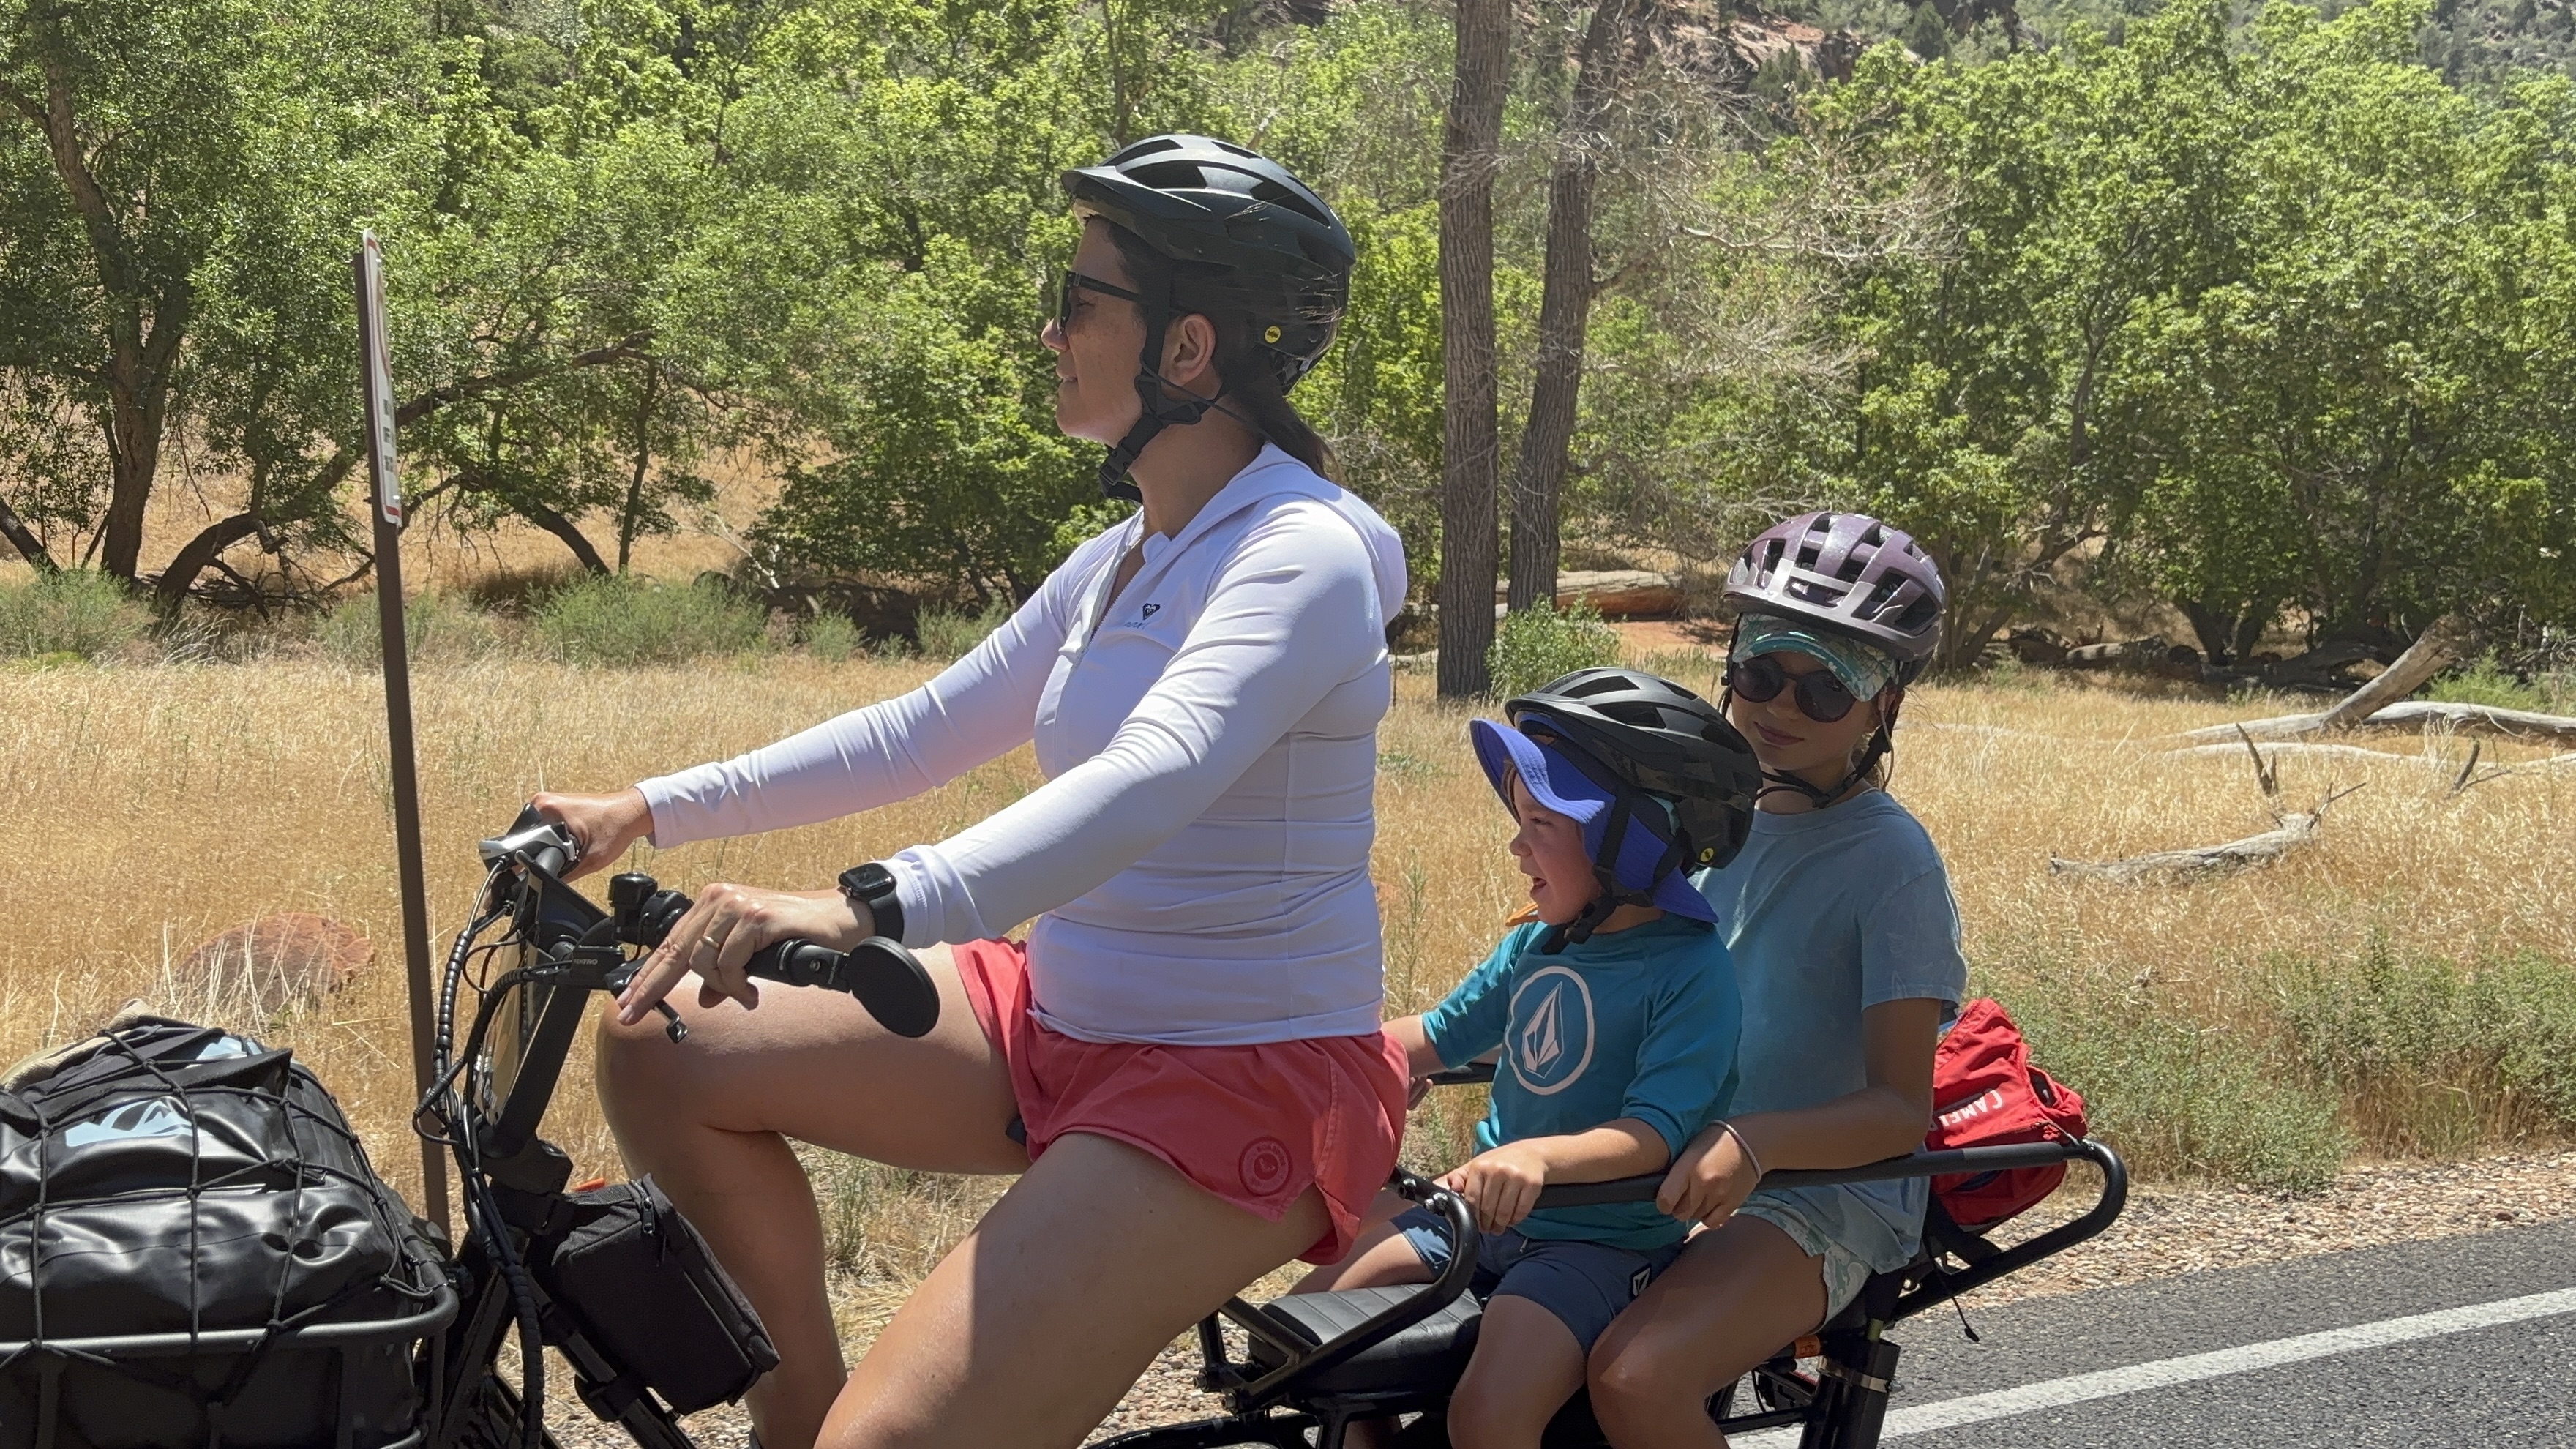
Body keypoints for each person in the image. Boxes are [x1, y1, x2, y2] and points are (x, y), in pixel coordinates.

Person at [529, 135, 1414, 1449]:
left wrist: (869, 907)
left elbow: (1153, 774)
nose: (1048, 328)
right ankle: (800, 1414)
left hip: (1233, 1078)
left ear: (1187, 349)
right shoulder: (1129, 555)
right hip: (1064, 1014)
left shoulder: (1311, 552)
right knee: (666, 1034)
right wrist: (649, 805)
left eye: (1080, 302)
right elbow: (926, 727)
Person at [1296, 670, 1760, 1449]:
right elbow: (1438, 1035)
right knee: (1302, 1339)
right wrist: (1316, 1061)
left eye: (1541, 824)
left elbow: (1653, 1134)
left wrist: (1534, 1158)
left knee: (1489, 1417)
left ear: (1629, 842)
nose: (1516, 845)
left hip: (1594, 1243)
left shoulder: (1691, 973)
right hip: (1475, 1218)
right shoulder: (1539, 945)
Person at [1585, 512, 1967, 1448]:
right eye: (1761, 671)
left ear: (1884, 706)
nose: (1781, 707)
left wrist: (1749, 1142)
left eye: (1826, 689)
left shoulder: (1891, 862)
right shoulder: (1699, 820)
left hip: (1822, 1192)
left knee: (1638, 1379)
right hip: (1672, 1155)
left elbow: (1894, 1108)